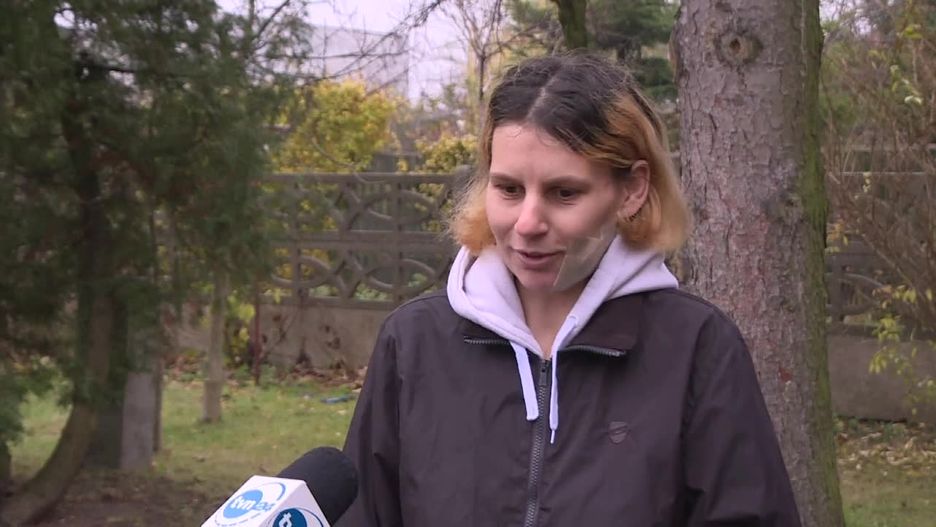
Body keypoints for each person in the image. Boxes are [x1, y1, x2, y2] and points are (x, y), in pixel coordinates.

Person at [338, 53, 801, 526]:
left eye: (564, 193)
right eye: (509, 189)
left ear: (632, 190)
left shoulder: (697, 348)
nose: (528, 223)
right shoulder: (414, 342)